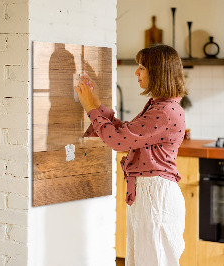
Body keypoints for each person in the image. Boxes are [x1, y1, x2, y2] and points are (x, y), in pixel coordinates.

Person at [74, 44, 187, 266]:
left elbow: (118, 141)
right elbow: (126, 133)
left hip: (155, 196)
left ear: (158, 71)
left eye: (142, 67)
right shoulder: (160, 106)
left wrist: (90, 108)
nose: (136, 72)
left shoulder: (164, 111)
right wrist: (96, 103)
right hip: (149, 194)